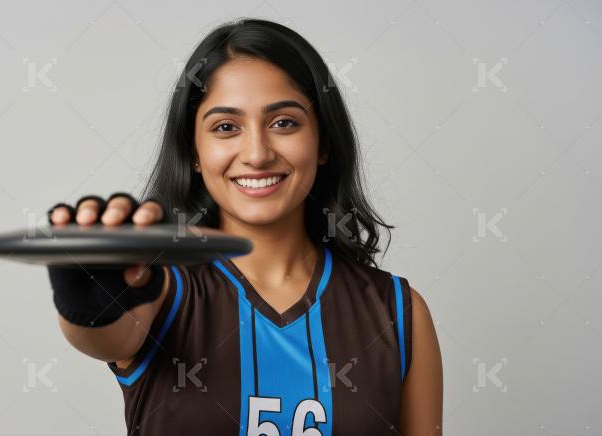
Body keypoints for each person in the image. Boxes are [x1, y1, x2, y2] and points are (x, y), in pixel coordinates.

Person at [47, 18, 442, 436]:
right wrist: (89, 300)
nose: (256, 153)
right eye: (225, 128)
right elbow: (104, 333)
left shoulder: (397, 312)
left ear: (323, 142)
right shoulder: (161, 290)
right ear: (193, 152)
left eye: (284, 122)